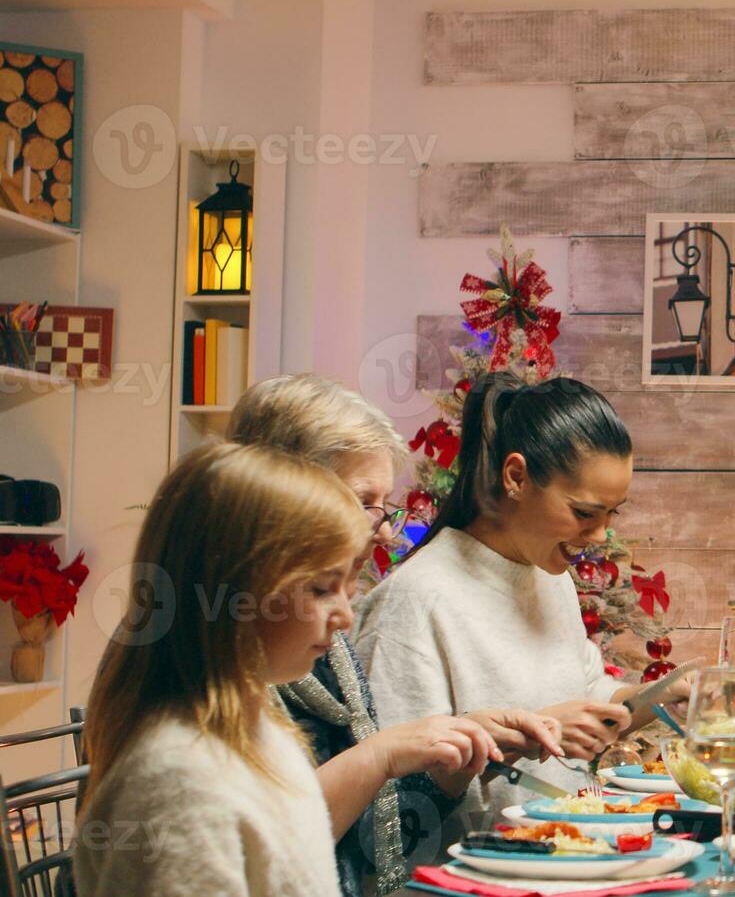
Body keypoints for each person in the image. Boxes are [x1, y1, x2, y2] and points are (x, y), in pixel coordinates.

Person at [229, 374, 566, 894]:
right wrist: (380, 754)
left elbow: (371, 842)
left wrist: (449, 756)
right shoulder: (226, 655)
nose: (386, 530)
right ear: (282, 492)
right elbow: (255, 854)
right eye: (365, 501)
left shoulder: (322, 643)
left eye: (386, 505)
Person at [353, 372, 689, 840]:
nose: (600, 538)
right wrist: (534, 734)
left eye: (612, 514)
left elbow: (587, 692)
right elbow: (389, 808)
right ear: (516, 477)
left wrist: (668, 692)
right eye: (584, 513)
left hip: (561, 867)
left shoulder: (548, 577)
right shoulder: (413, 600)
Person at [77, 443, 375, 896]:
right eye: (320, 588)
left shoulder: (258, 730)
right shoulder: (181, 779)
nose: (345, 615)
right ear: (237, 594)